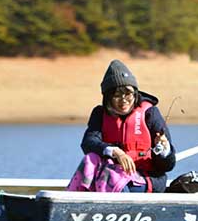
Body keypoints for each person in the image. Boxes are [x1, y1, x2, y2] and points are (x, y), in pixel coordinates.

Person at [67, 59, 176, 193]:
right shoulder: (100, 114)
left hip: (146, 179)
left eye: (128, 94)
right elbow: (88, 142)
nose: (124, 100)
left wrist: (164, 151)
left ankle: (116, 209)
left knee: (110, 175)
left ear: (135, 93)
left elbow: (168, 165)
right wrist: (116, 152)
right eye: (117, 95)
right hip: (110, 175)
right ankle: (73, 203)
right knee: (91, 159)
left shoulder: (150, 113)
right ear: (107, 98)